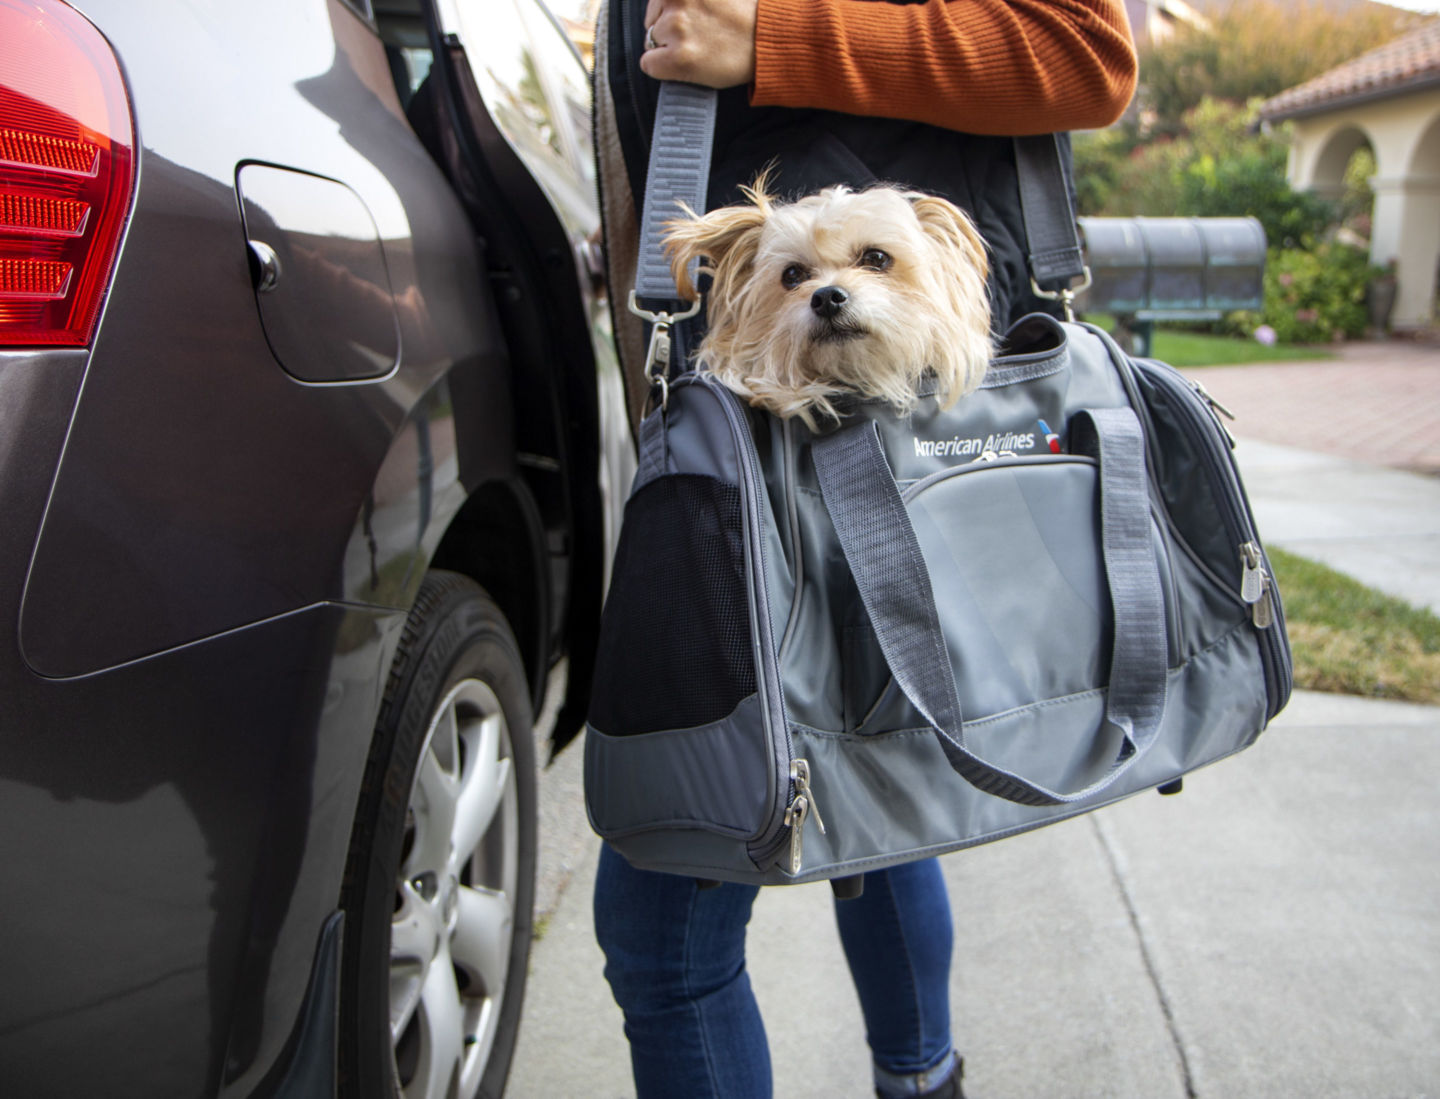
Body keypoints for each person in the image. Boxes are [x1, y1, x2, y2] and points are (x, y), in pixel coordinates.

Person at [591, 2, 1137, 1096]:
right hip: (751, 440)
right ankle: (925, 1078)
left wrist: (773, 42)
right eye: (800, 275)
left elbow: (1086, 50)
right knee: (877, 784)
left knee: (664, 919)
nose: (830, 285)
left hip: (853, 455)